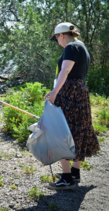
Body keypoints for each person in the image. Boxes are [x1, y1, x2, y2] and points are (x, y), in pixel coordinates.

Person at [45, 22, 100, 190]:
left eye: (57, 39)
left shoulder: (70, 47)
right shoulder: (82, 46)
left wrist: (54, 93)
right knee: (78, 128)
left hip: (70, 92)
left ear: (61, 35)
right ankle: (75, 172)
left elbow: (65, 71)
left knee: (63, 131)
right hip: (81, 91)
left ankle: (67, 178)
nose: (58, 43)